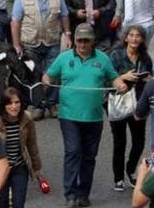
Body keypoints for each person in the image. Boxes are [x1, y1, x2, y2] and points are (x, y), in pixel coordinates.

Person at [43, 22, 129, 207]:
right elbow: (48, 75)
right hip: (68, 116)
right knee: (73, 151)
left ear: (93, 41)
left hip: (94, 116)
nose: (82, 44)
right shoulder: (64, 58)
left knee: (89, 156)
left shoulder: (103, 59)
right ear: (74, 40)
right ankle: (70, 194)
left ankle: (83, 193)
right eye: (79, 40)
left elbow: (113, 77)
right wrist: (47, 81)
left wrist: (120, 85)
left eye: (86, 40)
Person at [110, 25, 154, 191]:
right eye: (131, 35)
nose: (135, 38)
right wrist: (123, 77)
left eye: (138, 36)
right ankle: (118, 178)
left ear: (142, 39)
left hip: (139, 103)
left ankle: (130, 170)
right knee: (119, 142)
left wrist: (149, 80)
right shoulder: (116, 55)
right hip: (119, 102)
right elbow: (107, 77)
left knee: (139, 142)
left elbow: (150, 78)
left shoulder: (145, 58)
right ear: (125, 38)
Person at [0, 87, 44, 208]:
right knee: (1, 204)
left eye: (17, 102)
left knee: (19, 204)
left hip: (19, 167)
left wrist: (37, 168)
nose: (14, 106)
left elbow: (32, 145)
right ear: (3, 105)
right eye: (9, 103)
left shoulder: (27, 118)